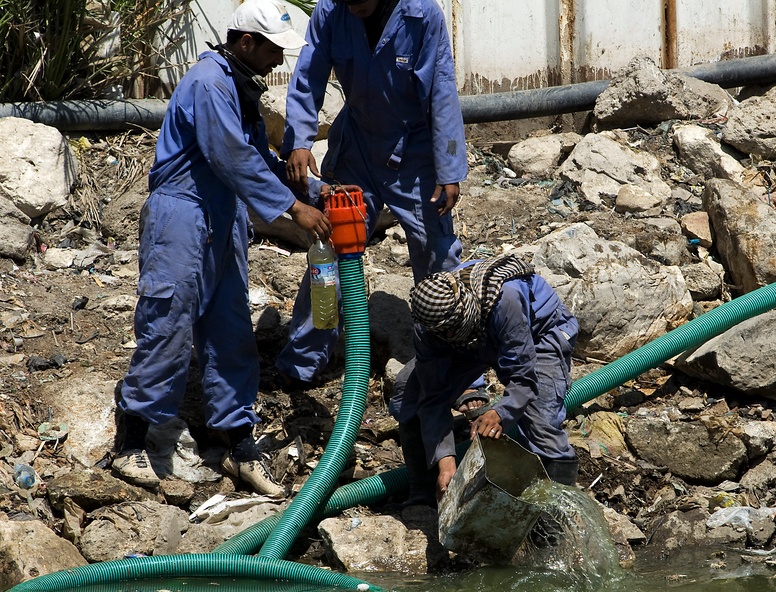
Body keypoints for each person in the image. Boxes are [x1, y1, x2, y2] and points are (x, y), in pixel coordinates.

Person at [112, 0, 331, 495]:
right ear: (246, 43)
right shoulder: (210, 81)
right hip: (181, 214)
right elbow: (229, 156)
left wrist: (316, 193)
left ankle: (235, 438)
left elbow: (256, 156)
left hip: (223, 215)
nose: (280, 62)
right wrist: (294, 211)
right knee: (168, 322)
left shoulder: (239, 84)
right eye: (275, 51)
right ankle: (134, 442)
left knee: (230, 327)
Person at [275, 0, 468, 389]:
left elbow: (442, 91)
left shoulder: (422, 16)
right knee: (330, 252)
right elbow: (309, 75)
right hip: (358, 149)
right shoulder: (331, 12)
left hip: (414, 154)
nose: (356, 5)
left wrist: (448, 168)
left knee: (437, 254)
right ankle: (302, 362)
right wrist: (298, 139)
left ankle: (461, 373)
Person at [389, 255, 580, 505]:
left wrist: (501, 413)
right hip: (470, 341)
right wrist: (445, 462)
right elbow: (432, 395)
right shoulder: (429, 327)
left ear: (461, 312)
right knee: (409, 392)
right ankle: (425, 494)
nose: (447, 334)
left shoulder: (505, 300)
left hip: (538, 333)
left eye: (450, 329)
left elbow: (523, 378)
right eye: (442, 332)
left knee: (539, 423)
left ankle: (554, 512)